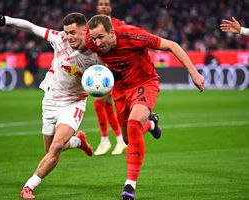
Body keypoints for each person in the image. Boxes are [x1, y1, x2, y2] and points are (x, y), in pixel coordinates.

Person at [86, 15, 205, 200]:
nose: (97, 42)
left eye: (101, 37)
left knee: (134, 125)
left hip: (144, 83)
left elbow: (172, 45)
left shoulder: (134, 36)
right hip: (120, 89)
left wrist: (194, 73)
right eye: (94, 38)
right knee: (127, 139)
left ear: (111, 33)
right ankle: (150, 124)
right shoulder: (91, 41)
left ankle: (129, 185)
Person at [0, 11, 100, 199]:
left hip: (74, 103)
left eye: (72, 32)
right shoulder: (59, 39)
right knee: (50, 149)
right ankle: (78, 141)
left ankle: (29, 186)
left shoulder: (97, 52)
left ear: (84, 30)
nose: (68, 36)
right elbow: (31, 27)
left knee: (55, 148)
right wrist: (7, 20)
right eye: (66, 32)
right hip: (50, 101)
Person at [92, 0, 127, 156]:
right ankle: (118, 139)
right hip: (101, 69)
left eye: (106, 4)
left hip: (115, 69)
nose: (104, 6)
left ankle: (106, 139)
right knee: (105, 103)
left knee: (99, 102)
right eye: (101, 4)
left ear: (110, 7)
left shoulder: (118, 24)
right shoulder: (92, 26)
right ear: (97, 7)